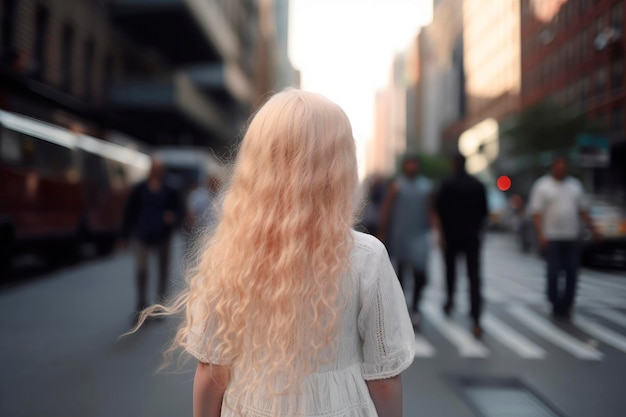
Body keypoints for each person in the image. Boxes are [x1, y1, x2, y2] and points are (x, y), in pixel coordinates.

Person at [132, 90, 416, 417]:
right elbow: (384, 378)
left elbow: (211, 373)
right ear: (340, 167)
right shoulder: (366, 256)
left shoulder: (230, 254)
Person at [529, 156, 600, 320]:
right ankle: (555, 302)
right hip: (552, 237)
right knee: (553, 272)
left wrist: (593, 229)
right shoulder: (543, 186)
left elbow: (583, 210)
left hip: (572, 237)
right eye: (558, 165)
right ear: (553, 167)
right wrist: (541, 234)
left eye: (563, 165)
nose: (561, 168)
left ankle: (567, 304)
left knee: (572, 273)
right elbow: (537, 213)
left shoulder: (574, 186)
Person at [434, 153, 488, 338]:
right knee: (474, 277)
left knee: (451, 272)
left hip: (451, 236)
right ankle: (475, 314)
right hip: (472, 237)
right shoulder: (477, 184)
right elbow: (484, 212)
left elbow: (438, 210)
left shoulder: (446, 184)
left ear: (453, 164)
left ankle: (449, 302)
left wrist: (441, 235)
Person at [120, 159, 183, 316]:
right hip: (143, 235)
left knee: (163, 271)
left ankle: (160, 306)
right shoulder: (140, 189)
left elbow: (179, 211)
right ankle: (141, 305)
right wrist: (124, 236)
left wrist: (173, 216)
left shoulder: (170, 190)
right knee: (141, 270)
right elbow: (129, 213)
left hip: (163, 235)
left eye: (159, 169)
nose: (156, 172)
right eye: (154, 169)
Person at [379, 154, 433, 325]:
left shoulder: (426, 186)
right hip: (400, 236)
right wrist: (382, 233)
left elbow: (431, 211)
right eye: (408, 164)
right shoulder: (397, 186)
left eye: (413, 164)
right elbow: (386, 210)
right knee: (401, 275)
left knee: (420, 274)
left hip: (419, 235)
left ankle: (416, 307)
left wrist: (437, 232)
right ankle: (402, 310)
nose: (411, 167)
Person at [186, 173, 222, 248]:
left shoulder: (222, 198)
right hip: (201, 234)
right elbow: (191, 216)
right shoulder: (198, 196)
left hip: (216, 234)